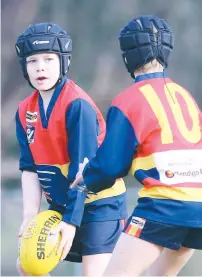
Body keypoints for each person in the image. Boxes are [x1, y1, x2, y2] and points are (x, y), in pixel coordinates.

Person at [71, 15, 202, 276]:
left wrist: (86, 178)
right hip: (198, 207)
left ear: (128, 55)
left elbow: (110, 166)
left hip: (162, 207)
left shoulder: (129, 100)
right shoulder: (185, 94)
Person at [15, 22, 127, 276]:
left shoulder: (77, 105)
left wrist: (71, 222)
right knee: (28, 267)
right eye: (32, 61)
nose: (40, 67)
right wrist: (30, 217)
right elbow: (29, 168)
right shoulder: (24, 110)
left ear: (64, 62)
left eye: (48, 59)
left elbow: (82, 170)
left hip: (100, 204)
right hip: (63, 205)